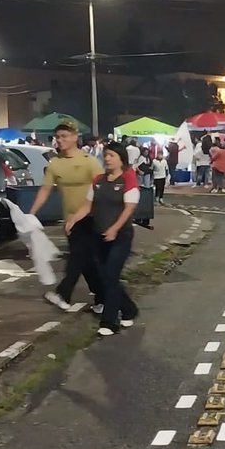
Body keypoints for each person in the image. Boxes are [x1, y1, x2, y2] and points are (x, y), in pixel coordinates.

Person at [64, 142, 141, 336]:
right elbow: (88, 205)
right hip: (99, 237)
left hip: (120, 236)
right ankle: (129, 309)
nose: (107, 158)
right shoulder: (98, 181)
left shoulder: (128, 180)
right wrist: (73, 219)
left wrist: (115, 228)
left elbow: (129, 209)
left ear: (121, 159)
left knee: (110, 275)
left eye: (111, 155)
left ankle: (109, 321)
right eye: (106, 155)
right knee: (107, 276)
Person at [30, 122, 104, 314]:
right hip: (70, 220)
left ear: (74, 137)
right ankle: (103, 298)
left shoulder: (90, 161)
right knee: (86, 262)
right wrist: (31, 213)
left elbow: (102, 188)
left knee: (77, 258)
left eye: (64, 136)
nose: (60, 140)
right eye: (58, 137)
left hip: (91, 217)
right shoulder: (55, 164)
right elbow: (45, 190)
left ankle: (64, 293)